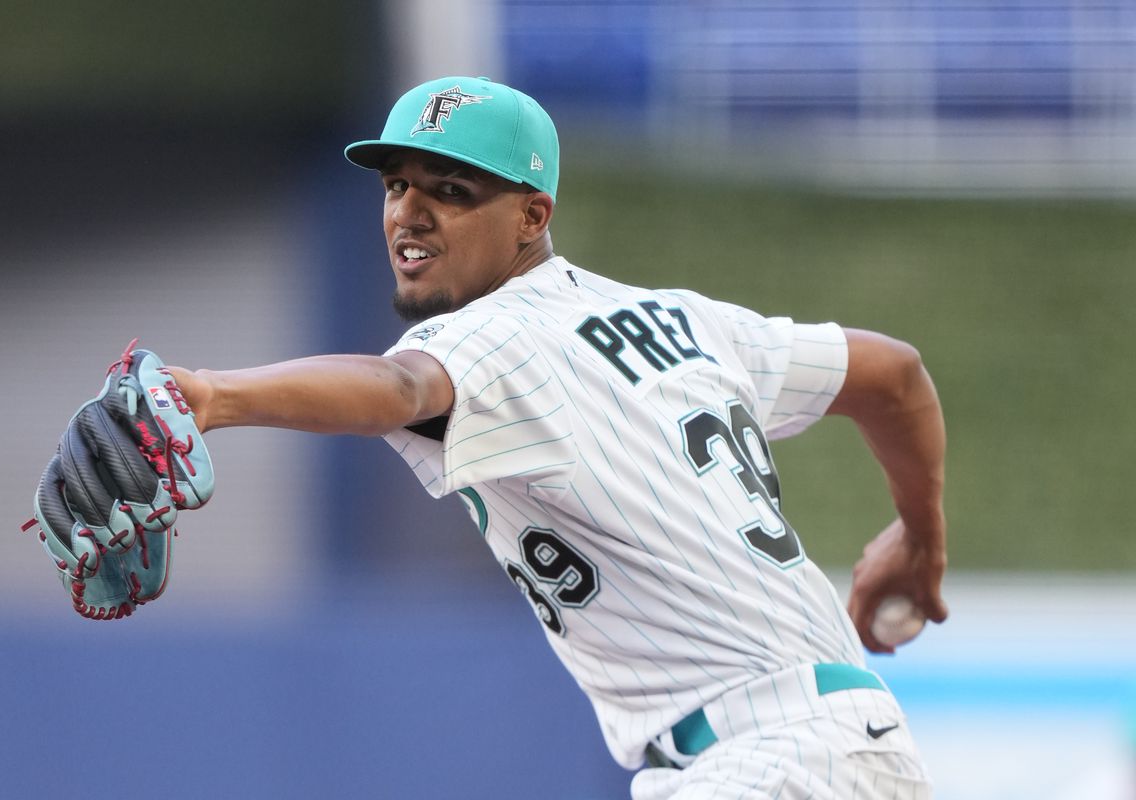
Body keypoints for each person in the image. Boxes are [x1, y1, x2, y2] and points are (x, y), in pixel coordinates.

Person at [167, 76, 949, 799]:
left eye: (451, 190)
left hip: (774, 759)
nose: (409, 211)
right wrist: (919, 534)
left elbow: (399, 387)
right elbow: (894, 374)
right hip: (827, 750)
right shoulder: (692, 320)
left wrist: (210, 395)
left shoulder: (496, 336)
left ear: (532, 216)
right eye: (396, 184)